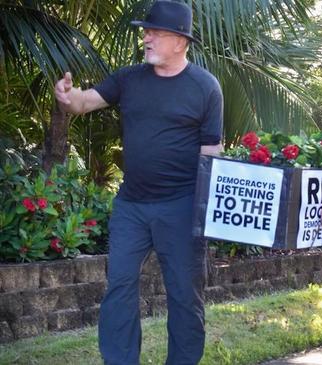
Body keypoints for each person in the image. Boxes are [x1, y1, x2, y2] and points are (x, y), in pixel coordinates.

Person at [54, 1, 223, 363]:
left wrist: (206, 214)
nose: (145, 37)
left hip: (181, 207)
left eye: (154, 32)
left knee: (183, 294)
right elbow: (85, 102)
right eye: (145, 31)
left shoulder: (206, 88)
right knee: (120, 288)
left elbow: (212, 155)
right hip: (131, 205)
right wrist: (69, 99)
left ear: (179, 41)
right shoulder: (128, 78)